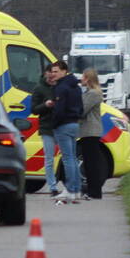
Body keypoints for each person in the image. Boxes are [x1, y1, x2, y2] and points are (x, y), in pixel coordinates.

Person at [48, 60, 83, 205]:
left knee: (68, 159)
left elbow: (59, 110)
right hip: (74, 124)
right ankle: (76, 191)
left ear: (64, 71)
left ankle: (69, 190)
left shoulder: (61, 88)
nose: (53, 74)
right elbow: (81, 107)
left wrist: (54, 124)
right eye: (52, 71)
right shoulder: (76, 87)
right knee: (73, 159)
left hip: (63, 125)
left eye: (56, 71)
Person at [30, 64, 59, 195]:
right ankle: (52, 187)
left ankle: (70, 186)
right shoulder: (39, 89)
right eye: (50, 73)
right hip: (47, 127)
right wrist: (45, 105)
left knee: (68, 156)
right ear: (46, 73)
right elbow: (34, 110)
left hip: (60, 126)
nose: (52, 76)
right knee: (49, 158)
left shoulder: (59, 86)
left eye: (54, 73)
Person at [78, 68, 105, 200]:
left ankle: (95, 192)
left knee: (92, 163)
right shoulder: (89, 93)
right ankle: (92, 190)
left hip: (91, 131)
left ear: (88, 78)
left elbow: (82, 110)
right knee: (89, 162)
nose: (81, 79)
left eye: (83, 77)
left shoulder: (93, 94)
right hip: (87, 131)